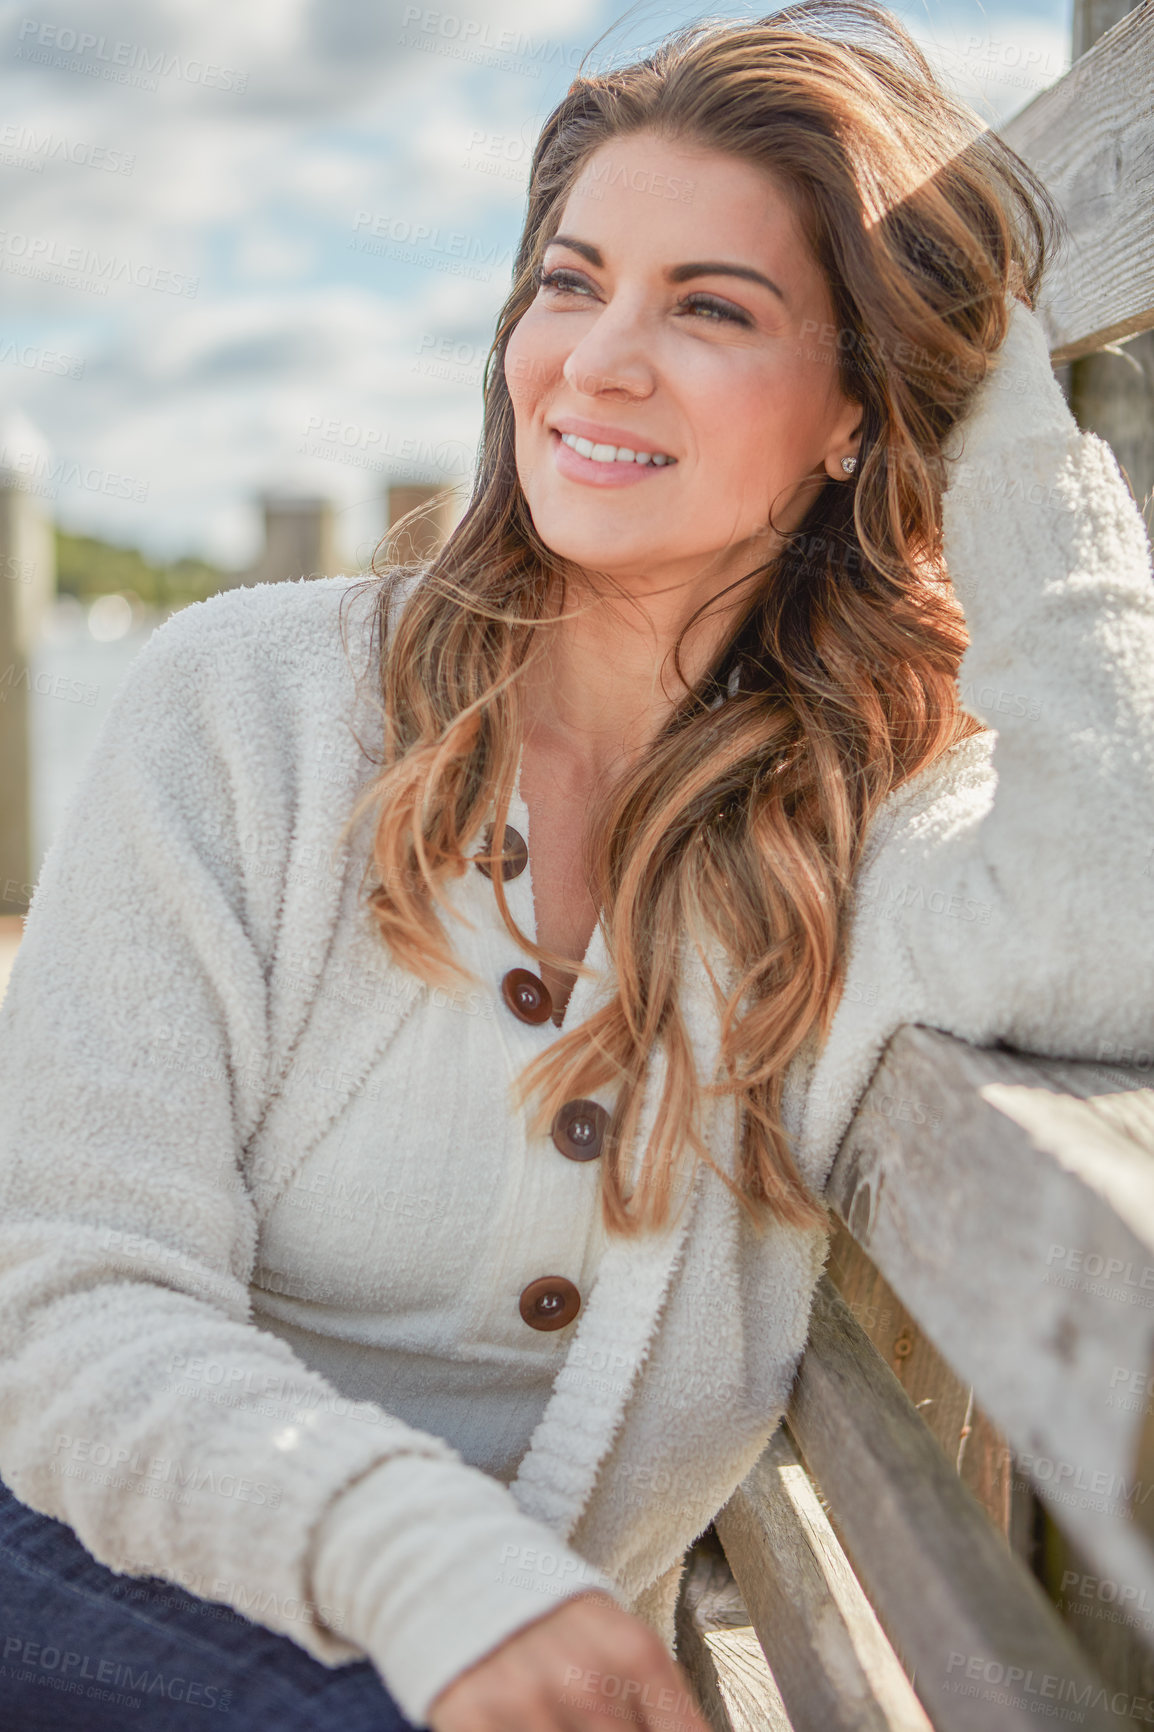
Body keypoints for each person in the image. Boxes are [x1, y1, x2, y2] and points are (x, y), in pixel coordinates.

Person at [3, 3, 1153, 1728]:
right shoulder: (249, 709)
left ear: (856, 408)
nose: (597, 359)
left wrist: (996, 424)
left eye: (710, 306)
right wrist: (436, 1573)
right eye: (568, 280)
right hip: (91, 1556)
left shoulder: (863, 835)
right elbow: (65, 1303)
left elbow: (1123, 898)